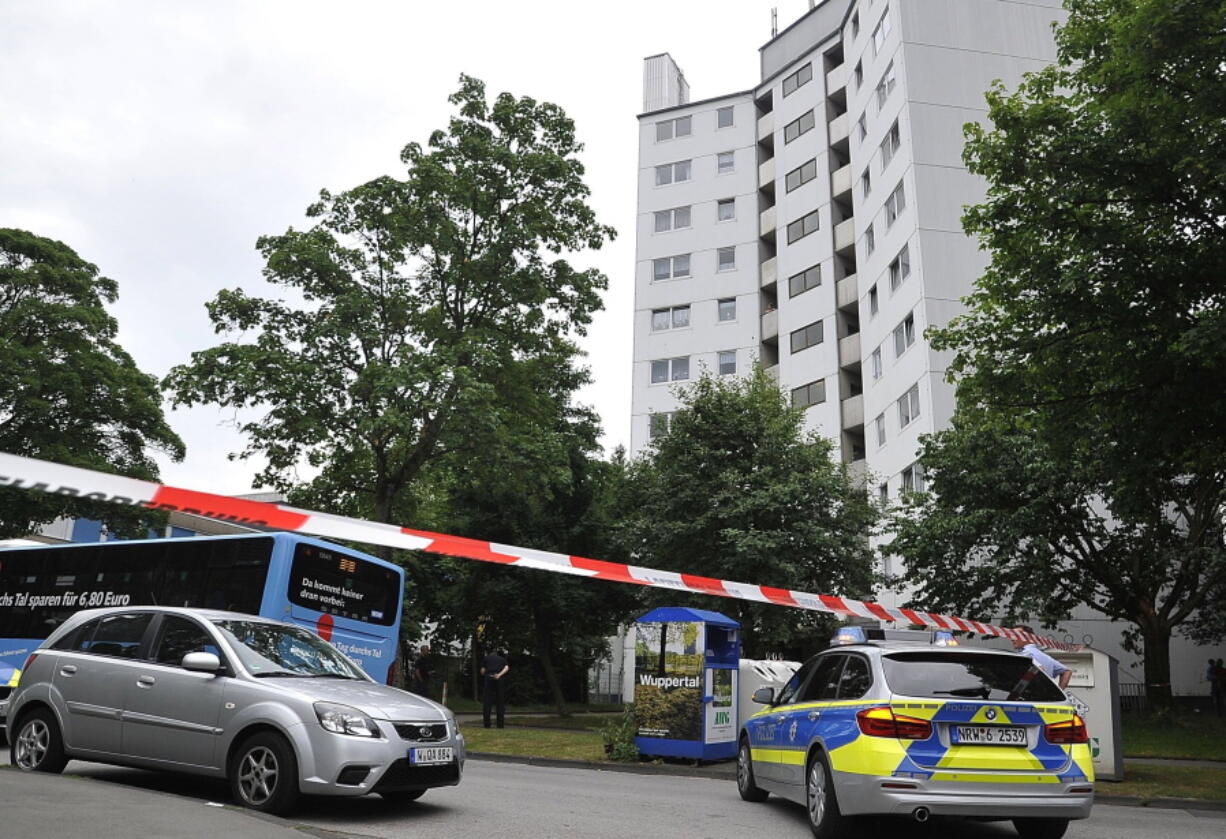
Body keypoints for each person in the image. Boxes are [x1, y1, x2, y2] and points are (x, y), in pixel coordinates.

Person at [481, 649, 510, 729]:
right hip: (499, 679)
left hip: (489, 678)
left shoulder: (486, 658)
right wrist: (499, 675)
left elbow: (483, 671)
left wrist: (484, 673)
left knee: (487, 701)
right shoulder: (502, 659)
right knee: (500, 701)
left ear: (490, 654)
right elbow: (507, 668)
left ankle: (487, 724)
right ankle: (500, 725)